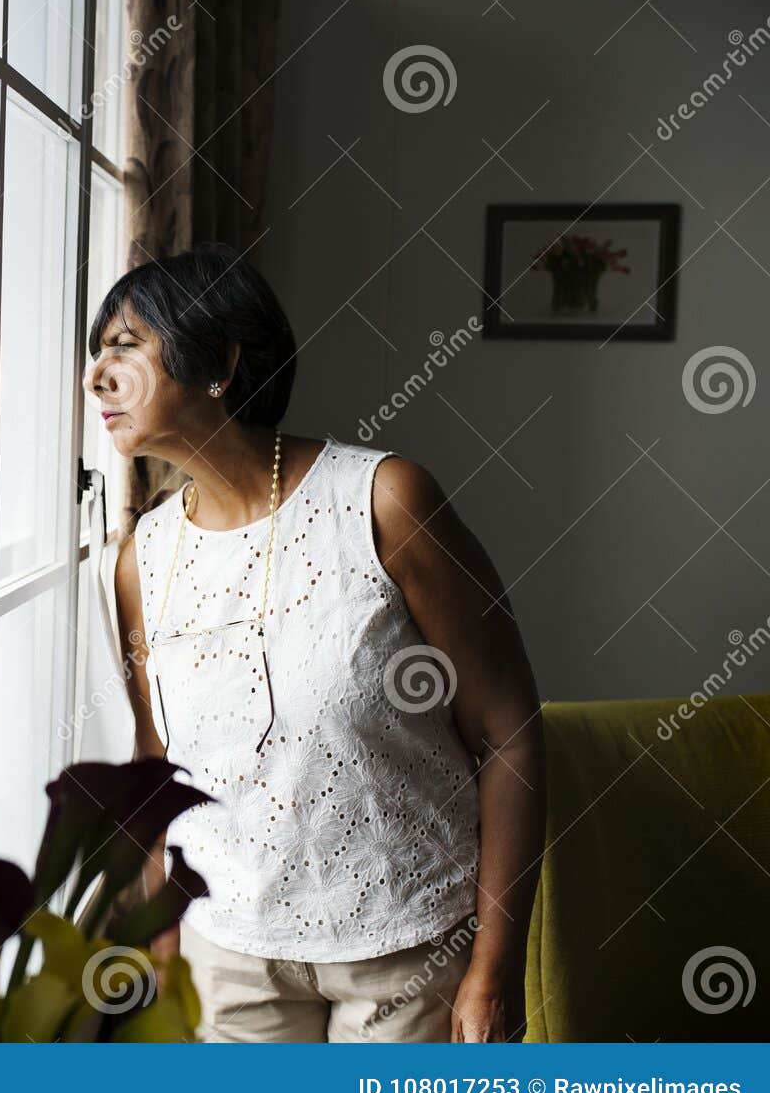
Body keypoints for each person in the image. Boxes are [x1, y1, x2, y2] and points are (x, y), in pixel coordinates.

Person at [87, 244, 545, 1042]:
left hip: (407, 945)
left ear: (220, 365)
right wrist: (164, 949)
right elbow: (154, 763)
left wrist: (497, 964)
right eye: (95, 353)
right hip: (226, 954)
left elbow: (510, 732)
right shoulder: (141, 559)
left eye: (125, 347)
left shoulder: (383, 502)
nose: (97, 376)